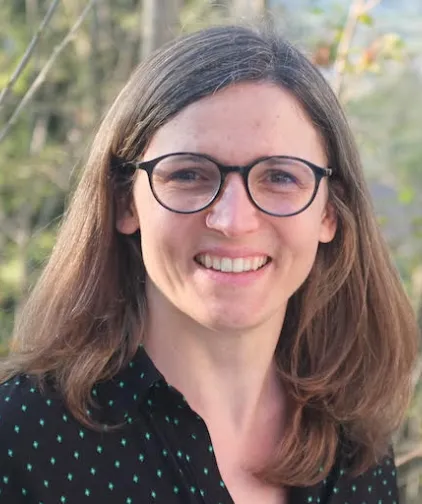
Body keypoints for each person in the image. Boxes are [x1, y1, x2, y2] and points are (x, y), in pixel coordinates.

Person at [0, 24, 418, 504]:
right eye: (189, 174)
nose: (233, 221)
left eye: (280, 177)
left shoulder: (358, 453)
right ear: (125, 202)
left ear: (329, 212)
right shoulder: (19, 442)